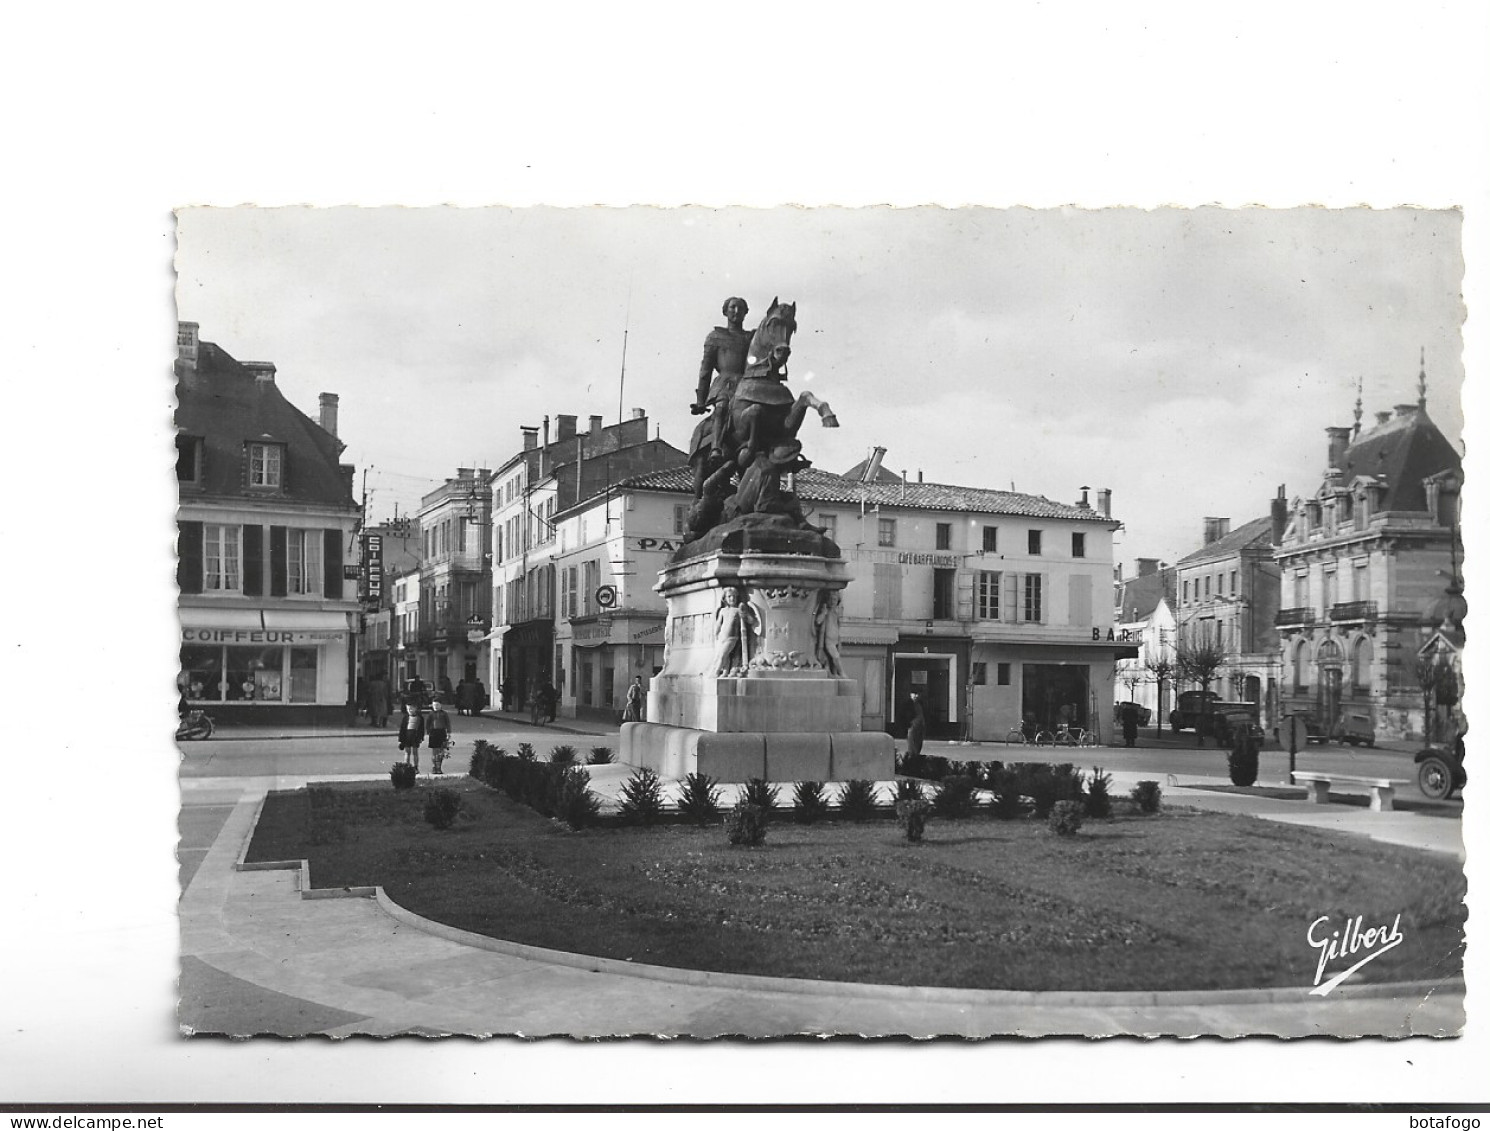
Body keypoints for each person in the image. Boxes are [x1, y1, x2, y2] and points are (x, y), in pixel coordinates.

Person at [710, 588, 759, 676]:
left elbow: (751, 621)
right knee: (726, 656)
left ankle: (716, 672)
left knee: (722, 655)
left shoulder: (737, 610)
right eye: (729, 596)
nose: (732, 599)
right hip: (722, 636)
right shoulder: (723, 610)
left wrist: (745, 614)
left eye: (734, 596)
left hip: (732, 638)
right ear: (725, 598)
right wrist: (715, 633)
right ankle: (725, 672)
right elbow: (718, 624)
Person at [398, 703, 425, 772]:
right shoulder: (405, 718)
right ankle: (406, 766)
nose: (409, 710)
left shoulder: (419, 718)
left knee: (415, 752)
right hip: (407, 736)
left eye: (411, 708)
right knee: (407, 752)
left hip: (415, 737)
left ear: (415, 708)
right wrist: (401, 739)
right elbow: (402, 729)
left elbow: (421, 729)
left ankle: (416, 767)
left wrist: (421, 737)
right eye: (408, 709)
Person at [426, 699, 451, 774]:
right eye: (434, 705)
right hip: (433, 732)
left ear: (441, 705)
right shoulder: (431, 714)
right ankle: (434, 767)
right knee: (434, 751)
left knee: (441, 751)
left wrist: (448, 732)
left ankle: (439, 767)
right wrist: (428, 732)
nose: (435, 707)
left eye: (437, 705)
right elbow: (427, 723)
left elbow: (448, 723)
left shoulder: (444, 714)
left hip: (442, 732)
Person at [905, 692, 926, 758]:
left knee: (918, 742)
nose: (916, 696)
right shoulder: (909, 704)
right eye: (914, 694)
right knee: (912, 742)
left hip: (919, 725)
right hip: (913, 725)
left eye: (917, 694)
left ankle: (915, 755)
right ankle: (913, 755)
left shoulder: (919, 704)